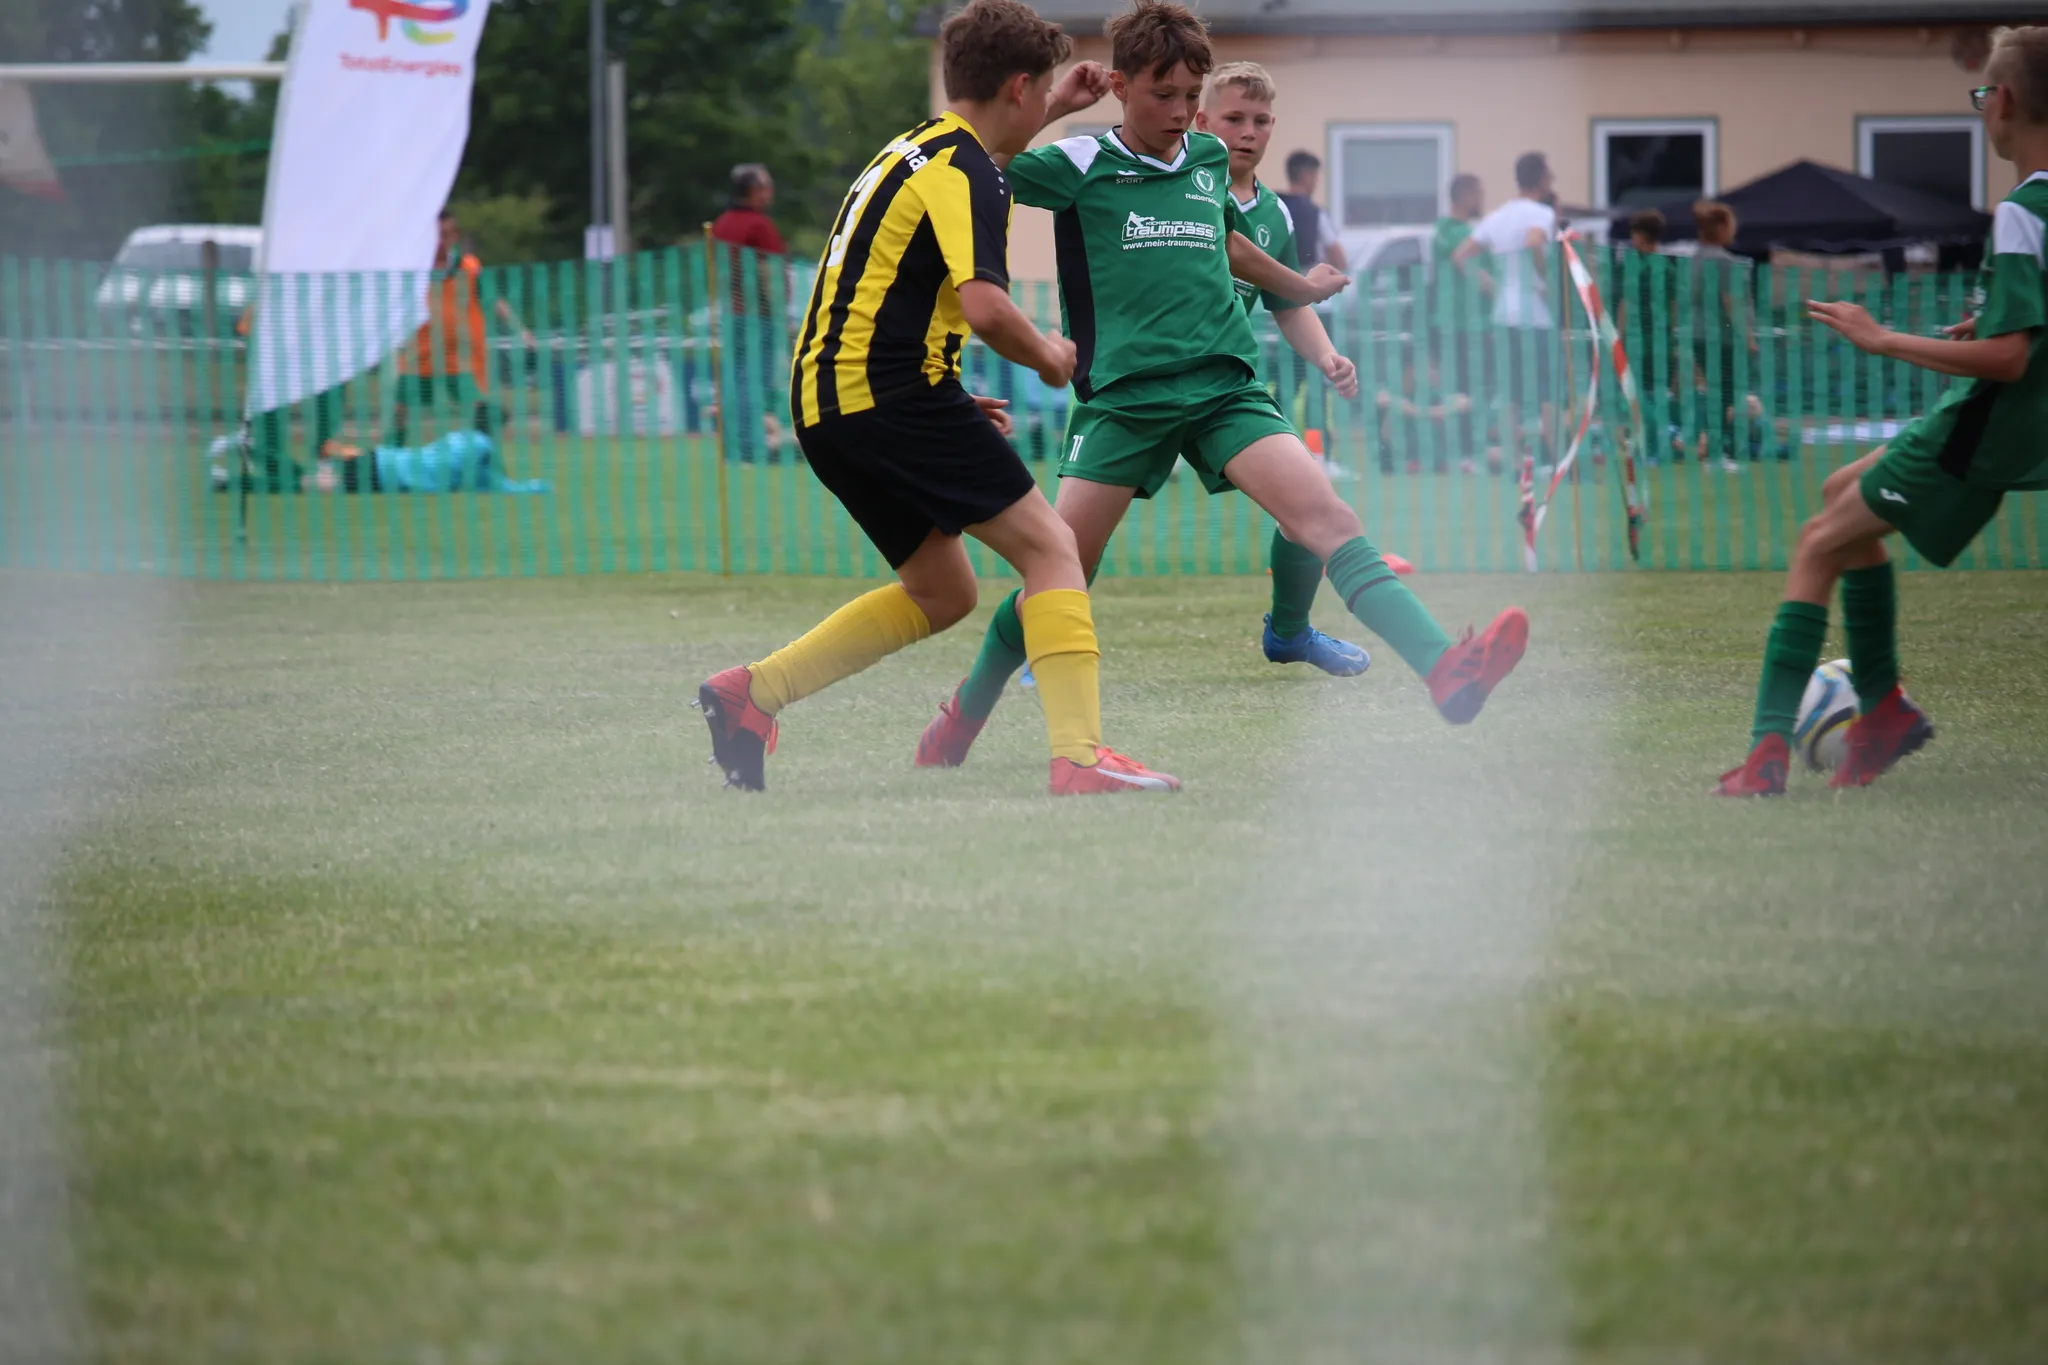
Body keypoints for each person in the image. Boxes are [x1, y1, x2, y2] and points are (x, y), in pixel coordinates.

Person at [914, 0, 1529, 773]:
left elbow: (1228, 245)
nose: (1181, 112)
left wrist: (1299, 289)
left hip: (1223, 386)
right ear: (1120, 86)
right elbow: (975, 161)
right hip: (1126, 399)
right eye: (1162, 95)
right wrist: (1057, 109)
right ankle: (962, 718)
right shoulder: (1078, 162)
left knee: (1328, 519)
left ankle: (1445, 668)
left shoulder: (1204, 159)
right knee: (1061, 570)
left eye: (1188, 96)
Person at [696, 0, 1178, 796]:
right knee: (1052, 550)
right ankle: (1081, 758)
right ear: (1017, 86)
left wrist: (940, 394)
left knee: (943, 590)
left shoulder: (913, 150)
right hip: (890, 395)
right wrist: (1049, 356)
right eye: (1042, 89)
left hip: (830, 404)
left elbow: (889, 289)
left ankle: (753, 692)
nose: (1044, 102)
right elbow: (985, 306)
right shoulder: (969, 172)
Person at [1712, 24, 2048, 797]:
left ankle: (1765, 756)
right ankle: (1885, 710)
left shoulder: (2021, 211)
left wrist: (1882, 337)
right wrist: (1994, 316)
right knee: (1840, 497)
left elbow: (2011, 359)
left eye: (1981, 95)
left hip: (1981, 429)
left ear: (2002, 101)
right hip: (2003, 424)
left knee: (1816, 542)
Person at [1193, 59, 1369, 674]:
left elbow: (1287, 303)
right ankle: (1041, 644)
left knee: (1311, 506)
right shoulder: (1178, 189)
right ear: (1200, 121)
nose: (1249, 131)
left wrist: (1327, 355)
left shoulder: (1277, 214)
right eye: (1234, 118)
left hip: (1221, 390)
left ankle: (1290, 633)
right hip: (1138, 384)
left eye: (1262, 120)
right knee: (1074, 537)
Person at [390, 207, 533, 448]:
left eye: (447, 235)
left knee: (477, 410)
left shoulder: (469, 267)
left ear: (455, 236)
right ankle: (391, 457)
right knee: (400, 411)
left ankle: (485, 456)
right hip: (419, 355)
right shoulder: (414, 269)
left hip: (459, 358)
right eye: (437, 235)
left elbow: (494, 299)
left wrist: (520, 329)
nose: (441, 241)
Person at [1455, 151, 1558, 479]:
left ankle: (1515, 465)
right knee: (1548, 389)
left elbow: (1461, 256)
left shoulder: (1497, 216)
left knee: (1511, 392)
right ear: (1541, 178)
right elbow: (1533, 241)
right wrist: (1545, 280)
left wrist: (1494, 287)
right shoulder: (1542, 213)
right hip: (1535, 314)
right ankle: (1558, 461)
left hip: (1504, 314)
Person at [709, 163, 790, 462]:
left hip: (732, 314)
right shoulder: (759, 225)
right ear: (755, 190)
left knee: (735, 380)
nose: (771, 192)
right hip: (759, 316)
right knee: (755, 382)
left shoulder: (721, 224)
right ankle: (748, 446)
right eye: (767, 186)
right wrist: (780, 314)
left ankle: (733, 445)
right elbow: (769, 274)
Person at [1689, 199, 1761, 471]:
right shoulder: (1724, 262)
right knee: (1725, 397)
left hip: (1698, 335)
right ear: (1720, 228)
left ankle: (1713, 450)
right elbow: (1732, 303)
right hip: (1722, 339)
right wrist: (1748, 337)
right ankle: (1715, 455)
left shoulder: (1694, 259)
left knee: (1717, 395)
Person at [1429, 173, 1487, 469]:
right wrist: (1492, 287)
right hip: (1453, 323)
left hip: (1475, 323)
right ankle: (1460, 453)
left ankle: (1468, 451)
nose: (1481, 199)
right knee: (1458, 388)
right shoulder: (1447, 230)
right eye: (1478, 192)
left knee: (1472, 387)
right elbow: (1461, 260)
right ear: (1465, 195)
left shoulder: (1472, 231)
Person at [302, 430, 549, 495]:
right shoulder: (483, 447)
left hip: (381, 457)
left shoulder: (456, 437)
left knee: (314, 482)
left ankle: (325, 461)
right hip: (385, 477)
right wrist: (540, 486)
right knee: (311, 486)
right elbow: (500, 485)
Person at [1277, 149, 1346, 272]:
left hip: (1274, 277)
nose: (1316, 182)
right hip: (1305, 278)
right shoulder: (1313, 212)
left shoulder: (1274, 205)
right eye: (1315, 176)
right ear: (1306, 175)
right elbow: (1337, 255)